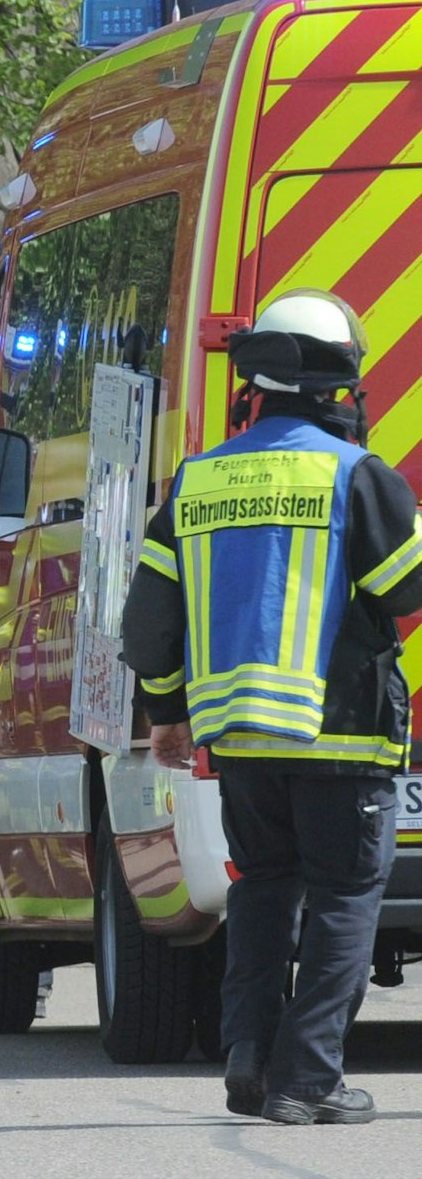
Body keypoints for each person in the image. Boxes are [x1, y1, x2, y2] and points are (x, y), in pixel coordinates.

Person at [122, 290, 422, 1125]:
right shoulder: (357, 474)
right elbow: (406, 587)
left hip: (241, 739)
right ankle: (310, 1079)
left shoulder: (199, 479)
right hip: (342, 735)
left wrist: (165, 713)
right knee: (344, 897)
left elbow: (149, 625)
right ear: (334, 384)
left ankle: (249, 1061)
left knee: (262, 890)